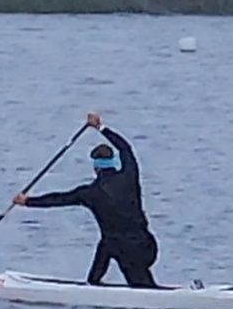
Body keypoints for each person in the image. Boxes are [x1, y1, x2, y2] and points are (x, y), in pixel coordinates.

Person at [13, 112, 160, 288]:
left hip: (125, 252)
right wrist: (100, 127)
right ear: (112, 162)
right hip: (148, 247)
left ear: (96, 167)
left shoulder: (90, 193)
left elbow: (59, 199)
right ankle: (94, 283)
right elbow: (125, 148)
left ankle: (94, 286)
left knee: (112, 243)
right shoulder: (130, 174)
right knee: (108, 244)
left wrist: (27, 201)